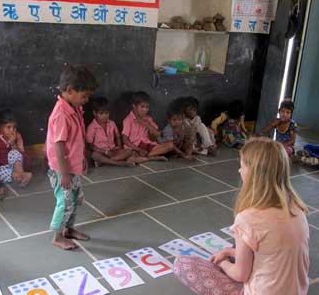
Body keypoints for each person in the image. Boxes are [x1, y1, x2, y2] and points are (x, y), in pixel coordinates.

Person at [174, 137, 310, 295]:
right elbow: (271, 254)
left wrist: (223, 263)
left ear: (254, 174)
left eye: (242, 166)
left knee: (183, 264)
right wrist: (230, 252)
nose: (239, 171)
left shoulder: (248, 218)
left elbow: (241, 275)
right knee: (237, 247)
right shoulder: (298, 208)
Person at [46, 65, 98, 250]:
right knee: (64, 201)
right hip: (63, 169)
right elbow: (58, 145)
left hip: (72, 166)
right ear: (69, 91)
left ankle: (69, 229)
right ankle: (57, 236)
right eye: (84, 96)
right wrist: (64, 174)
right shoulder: (61, 114)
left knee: (75, 199)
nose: (86, 100)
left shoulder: (73, 107)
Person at [0, 110, 32, 187]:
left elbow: (21, 155)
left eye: (14, 127)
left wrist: (13, 144)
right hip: (4, 168)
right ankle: (22, 176)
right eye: (8, 127)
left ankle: (20, 174)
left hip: (19, 165)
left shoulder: (17, 136)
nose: (12, 130)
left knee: (14, 153)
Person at [122, 91, 175, 162]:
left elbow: (157, 134)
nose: (145, 110)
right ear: (134, 106)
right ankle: (150, 157)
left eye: (147, 107)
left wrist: (145, 124)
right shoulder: (128, 120)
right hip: (135, 147)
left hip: (148, 146)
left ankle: (148, 156)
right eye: (142, 107)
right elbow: (125, 140)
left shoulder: (148, 119)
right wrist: (138, 149)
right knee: (130, 156)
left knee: (170, 145)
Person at [86, 97, 135, 167]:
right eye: (101, 113)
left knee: (129, 151)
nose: (104, 116)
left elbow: (117, 136)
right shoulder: (92, 127)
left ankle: (106, 161)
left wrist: (119, 148)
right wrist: (105, 152)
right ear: (95, 113)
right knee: (94, 155)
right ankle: (119, 163)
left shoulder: (112, 123)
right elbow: (90, 146)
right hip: (101, 152)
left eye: (107, 113)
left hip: (112, 150)